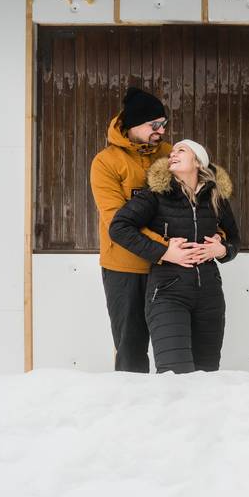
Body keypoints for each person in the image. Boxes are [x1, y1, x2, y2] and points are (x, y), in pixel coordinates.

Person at [90, 87, 197, 373]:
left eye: (164, 124)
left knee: (175, 346)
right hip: (126, 268)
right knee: (130, 346)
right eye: (155, 125)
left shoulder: (168, 154)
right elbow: (116, 222)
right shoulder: (106, 162)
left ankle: (177, 409)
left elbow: (198, 196)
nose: (161, 131)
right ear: (133, 123)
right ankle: (130, 408)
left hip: (170, 267)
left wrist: (218, 239)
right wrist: (165, 248)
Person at [109, 139, 240, 373]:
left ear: (198, 162)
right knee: (175, 375)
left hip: (209, 295)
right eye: (172, 152)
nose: (172, 155)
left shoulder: (216, 198)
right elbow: (119, 227)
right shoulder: (156, 195)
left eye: (182, 150)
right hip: (167, 294)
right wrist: (164, 251)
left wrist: (222, 251)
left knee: (207, 374)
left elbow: (235, 240)